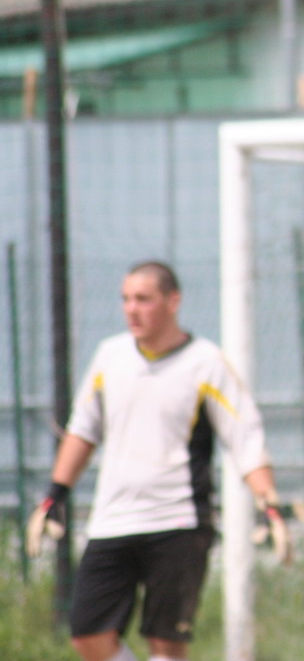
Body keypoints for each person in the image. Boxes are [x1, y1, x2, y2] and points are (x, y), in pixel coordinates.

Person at [26, 261, 289, 661]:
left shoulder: (205, 363)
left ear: (173, 301)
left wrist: (269, 506)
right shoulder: (110, 356)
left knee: (166, 645)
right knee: (88, 634)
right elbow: (82, 432)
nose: (132, 309)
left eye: (143, 299)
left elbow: (246, 439)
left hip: (178, 522)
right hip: (113, 519)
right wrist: (54, 496)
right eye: (126, 299)